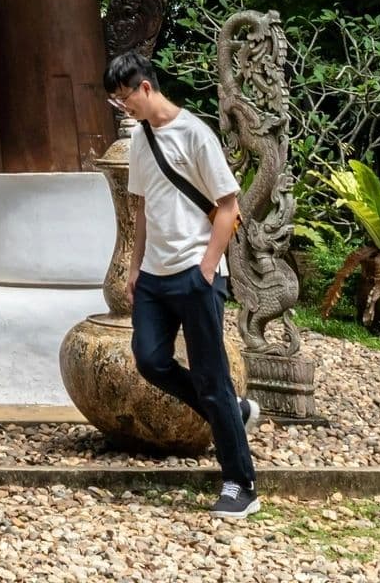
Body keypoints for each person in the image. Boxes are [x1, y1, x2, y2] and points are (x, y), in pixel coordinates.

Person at [105, 50, 263, 518]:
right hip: (154, 275)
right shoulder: (140, 141)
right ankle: (234, 413)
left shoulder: (195, 134)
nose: (123, 108)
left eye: (125, 98)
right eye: (117, 102)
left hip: (196, 272)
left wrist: (207, 269)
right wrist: (134, 268)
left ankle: (241, 483)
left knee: (211, 377)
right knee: (150, 360)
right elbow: (142, 209)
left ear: (146, 87)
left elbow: (228, 206)